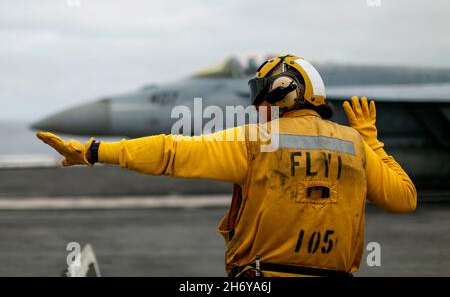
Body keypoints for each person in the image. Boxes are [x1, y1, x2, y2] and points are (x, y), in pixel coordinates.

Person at [36, 54, 417, 277]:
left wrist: (93, 151)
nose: (259, 106)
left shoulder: (255, 141)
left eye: (263, 95)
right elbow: (404, 199)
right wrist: (370, 140)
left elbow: (171, 152)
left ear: (282, 93)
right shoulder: (354, 145)